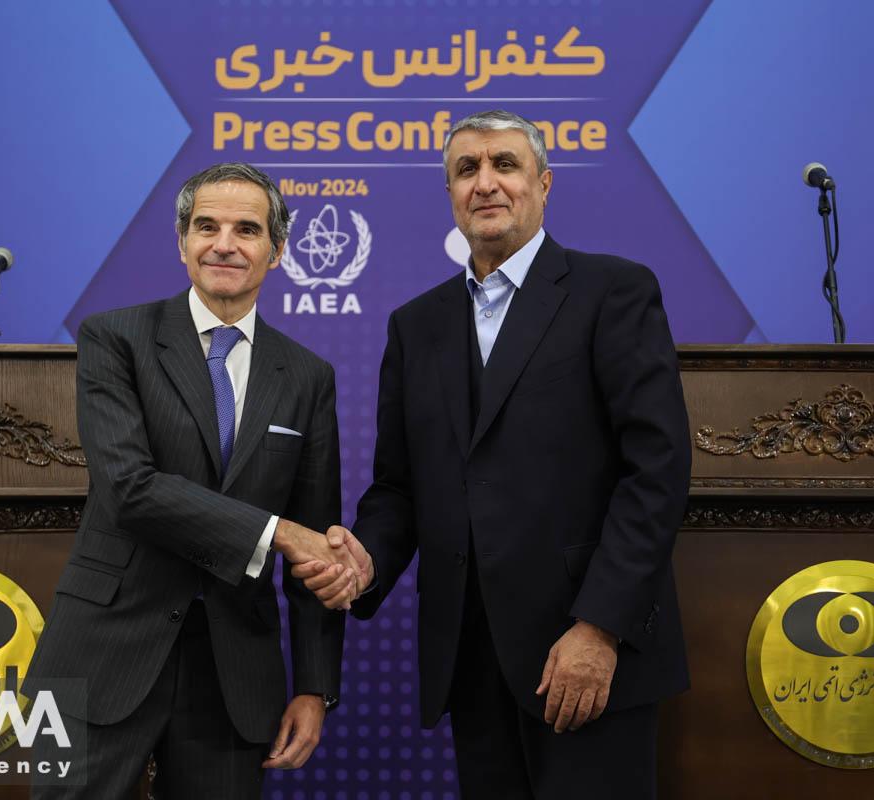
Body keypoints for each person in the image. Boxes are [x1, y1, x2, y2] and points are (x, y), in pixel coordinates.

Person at [296, 110, 692, 799]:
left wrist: (599, 627)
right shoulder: (415, 326)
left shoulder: (613, 292)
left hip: (588, 649)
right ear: (450, 193)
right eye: (466, 169)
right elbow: (399, 488)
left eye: (505, 165)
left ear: (543, 183)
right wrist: (366, 559)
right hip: (471, 659)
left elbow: (655, 471)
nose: (486, 183)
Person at [26, 162, 361, 799]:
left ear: (277, 251)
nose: (225, 244)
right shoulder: (115, 339)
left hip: (233, 678)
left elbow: (317, 546)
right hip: (104, 654)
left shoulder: (307, 376)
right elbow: (130, 488)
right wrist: (277, 531)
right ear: (182, 245)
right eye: (206, 226)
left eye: (247, 229)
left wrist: (316, 687)